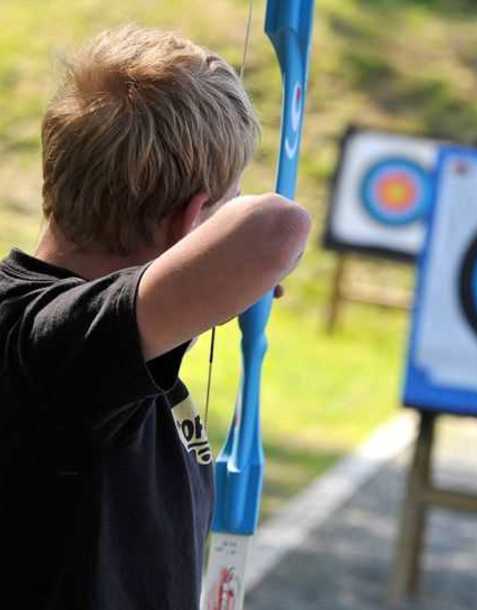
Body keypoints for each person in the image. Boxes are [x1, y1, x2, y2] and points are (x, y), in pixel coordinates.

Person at [0, 25, 311, 610]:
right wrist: (231, 266)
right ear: (194, 222)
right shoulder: (41, 344)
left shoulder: (99, 351)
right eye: (226, 200)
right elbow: (276, 228)